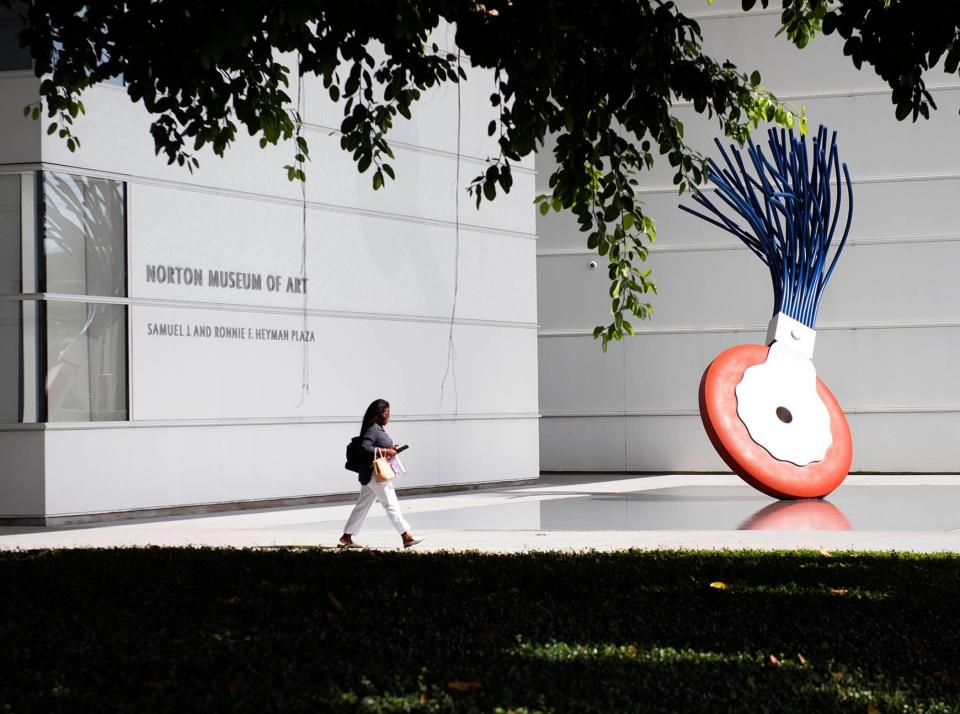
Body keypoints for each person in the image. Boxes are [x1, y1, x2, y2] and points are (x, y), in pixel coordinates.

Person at [339, 399, 423, 549]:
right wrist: (386, 451)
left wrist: (391, 449)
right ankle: (406, 536)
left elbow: (375, 446)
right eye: (386, 413)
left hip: (370, 473)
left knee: (362, 506)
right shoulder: (372, 429)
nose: (388, 416)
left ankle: (346, 537)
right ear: (378, 414)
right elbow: (365, 448)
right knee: (391, 503)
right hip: (375, 473)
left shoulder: (376, 428)